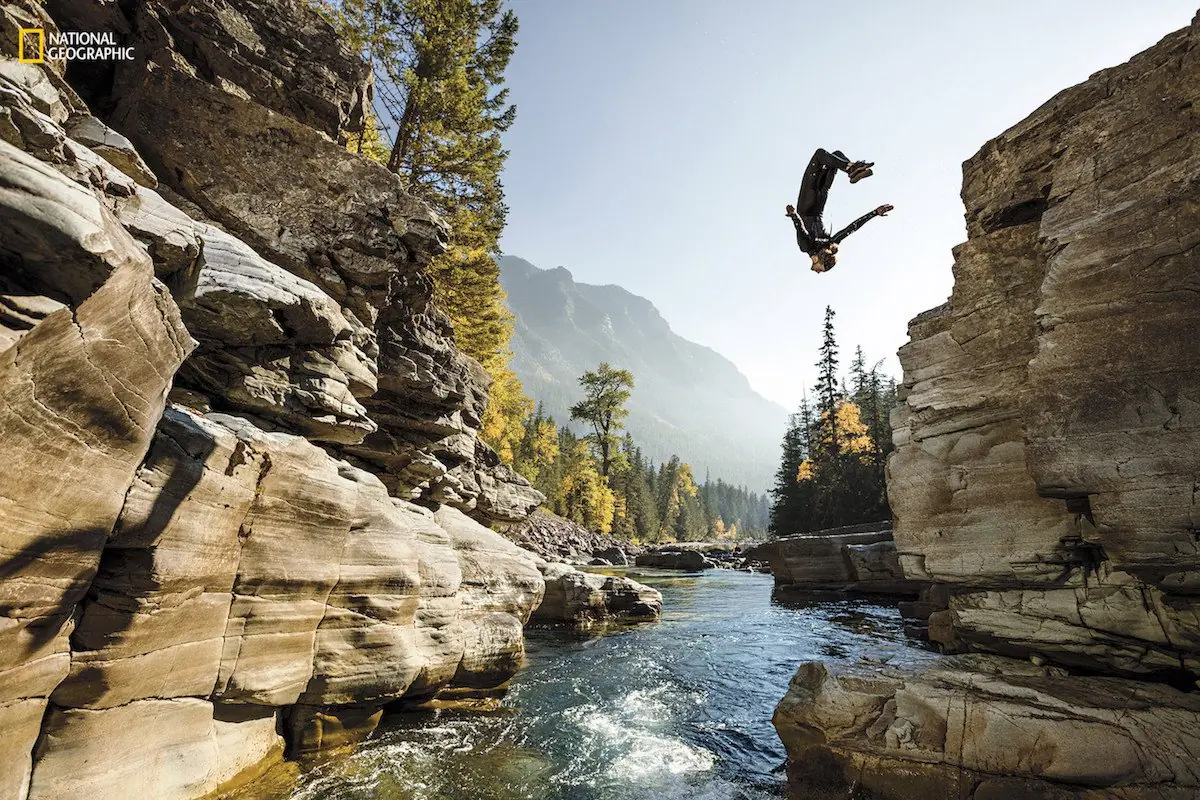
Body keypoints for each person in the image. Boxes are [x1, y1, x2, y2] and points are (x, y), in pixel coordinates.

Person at [786, 148, 893, 272]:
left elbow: (800, 229)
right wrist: (874, 213)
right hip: (810, 204)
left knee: (830, 157)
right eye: (822, 269)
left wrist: (793, 215)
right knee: (825, 155)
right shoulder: (819, 245)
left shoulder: (813, 246)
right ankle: (851, 169)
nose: (818, 272)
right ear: (820, 260)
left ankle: (851, 169)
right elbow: (851, 228)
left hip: (814, 203)